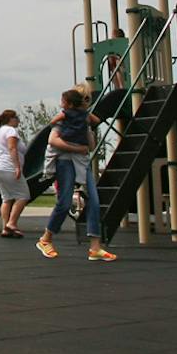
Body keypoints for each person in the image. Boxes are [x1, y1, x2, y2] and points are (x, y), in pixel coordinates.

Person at [39, 88, 114, 261]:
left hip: (81, 162)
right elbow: (53, 140)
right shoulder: (64, 117)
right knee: (64, 203)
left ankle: (95, 247)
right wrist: (77, 148)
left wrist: (88, 129)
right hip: (65, 161)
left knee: (94, 201)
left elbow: (92, 145)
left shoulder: (84, 118)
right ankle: (46, 238)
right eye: (85, 99)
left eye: (88, 100)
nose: (87, 102)